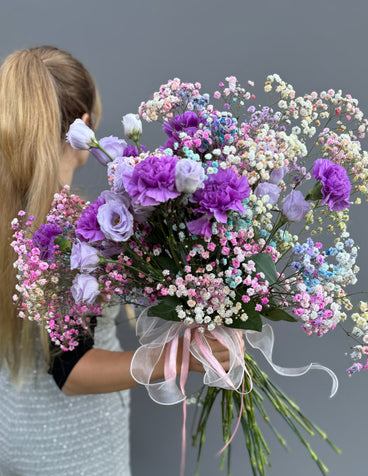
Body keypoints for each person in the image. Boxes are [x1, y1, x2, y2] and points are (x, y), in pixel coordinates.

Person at [0, 46, 236, 476]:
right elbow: (70, 372)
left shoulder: (8, 219)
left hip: (12, 437)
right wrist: (176, 357)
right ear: (84, 126)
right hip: (75, 453)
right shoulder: (70, 231)